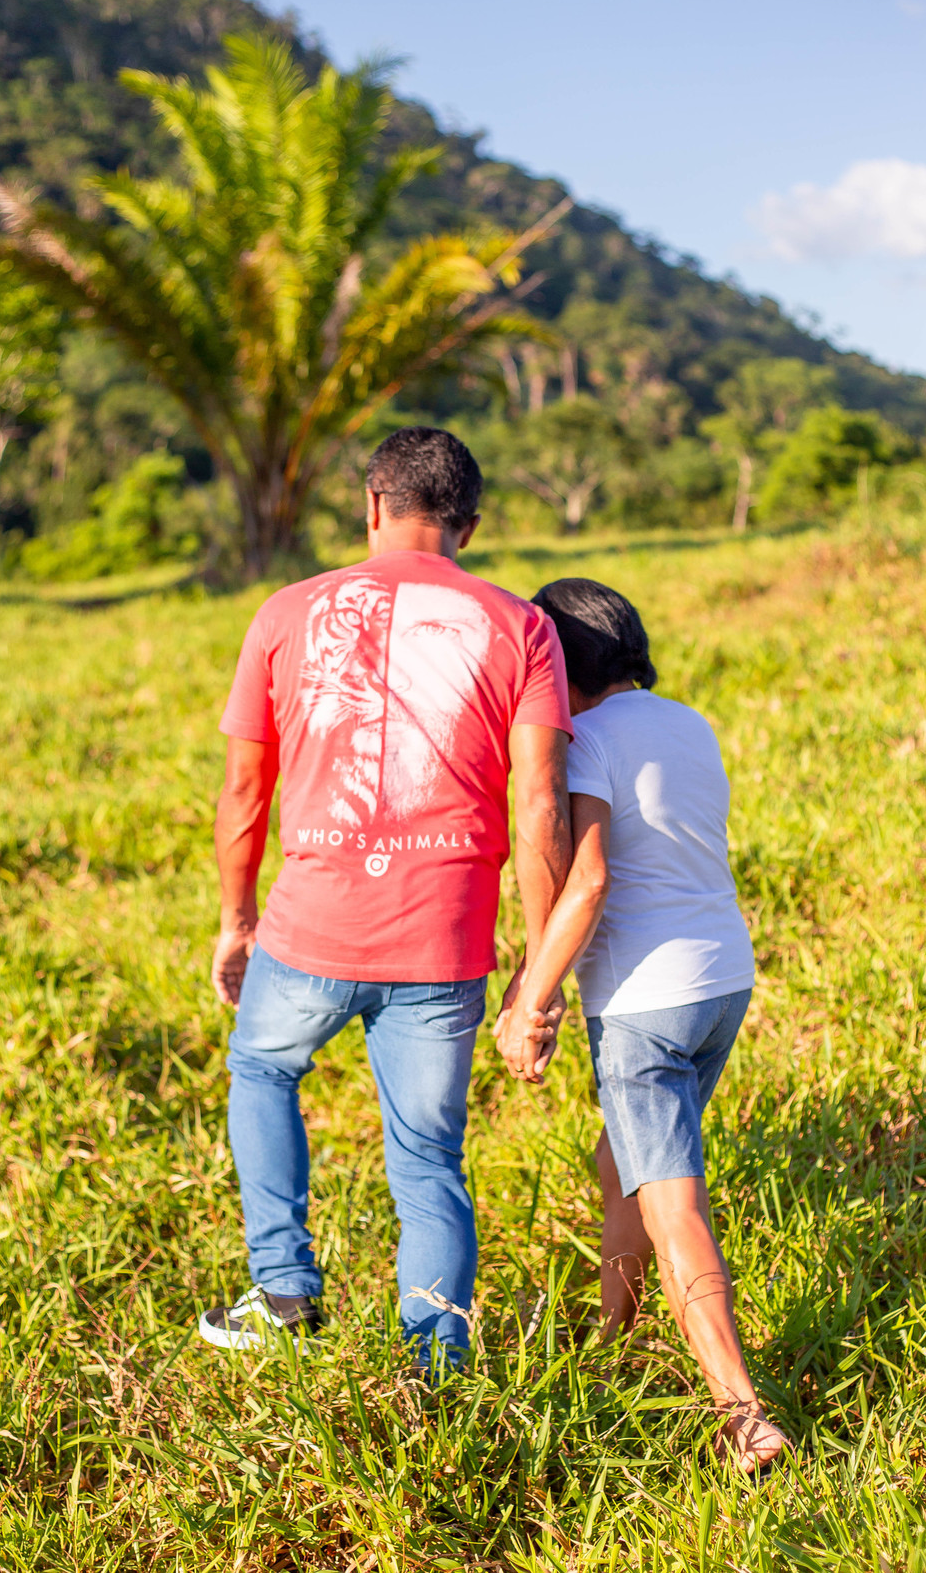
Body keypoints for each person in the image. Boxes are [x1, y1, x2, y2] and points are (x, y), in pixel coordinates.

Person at [199, 427, 572, 1370]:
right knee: (428, 1160)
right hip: (444, 943)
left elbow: (244, 793)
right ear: (470, 527)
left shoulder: (286, 613)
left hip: (309, 930)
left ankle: (282, 1292)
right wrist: (538, 958)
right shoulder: (521, 626)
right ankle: (436, 1366)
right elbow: (539, 803)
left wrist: (237, 919)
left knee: (263, 1070)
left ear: (371, 506)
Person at [495, 578, 788, 1474]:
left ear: (558, 660)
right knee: (618, 1159)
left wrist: (529, 1004)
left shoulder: (584, 741)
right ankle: (611, 1342)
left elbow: (586, 884)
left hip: (644, 1005)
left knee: (675, 1207)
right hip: (722, 983)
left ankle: (742, 1412)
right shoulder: (688, 723)